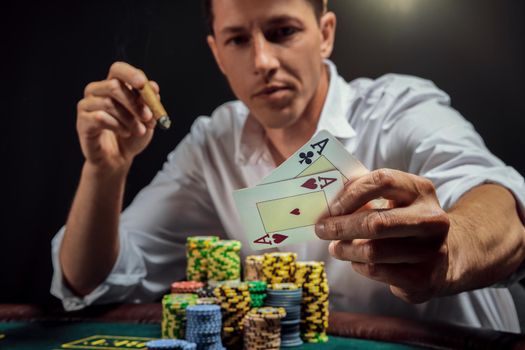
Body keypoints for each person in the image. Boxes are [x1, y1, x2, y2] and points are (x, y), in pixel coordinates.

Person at [51, 0, 525, 333]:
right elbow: (89, 281)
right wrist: (105, 170)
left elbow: (507, 208)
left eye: (283, 32)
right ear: (217, 52)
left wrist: (451, 250)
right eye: (238, 39)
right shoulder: (213, 144)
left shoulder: (399, 108)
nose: (263, 61)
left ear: (325, 34)